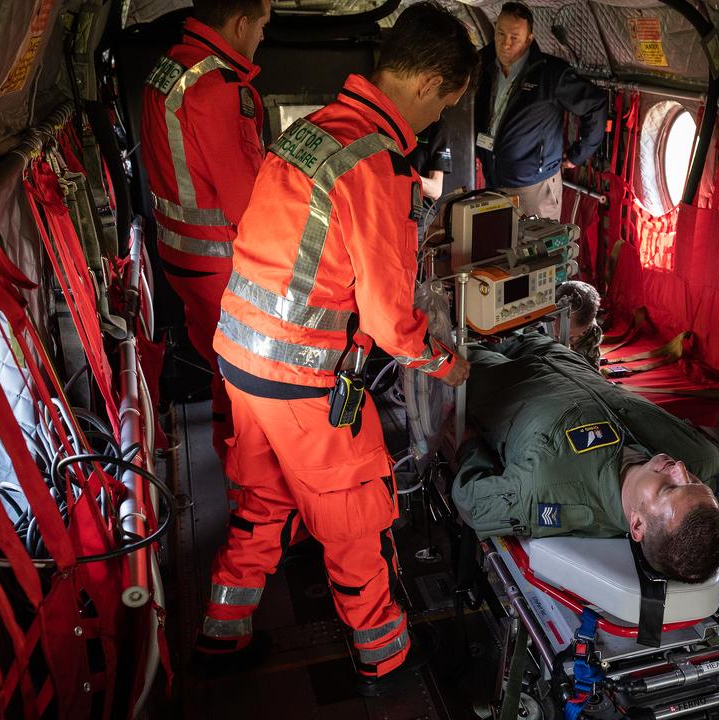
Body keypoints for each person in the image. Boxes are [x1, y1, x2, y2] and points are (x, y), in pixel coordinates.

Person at [194, 2, 476, 695]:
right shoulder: (375, 164)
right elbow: (386, 320)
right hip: (299, 377)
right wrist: (446, 361)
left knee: (260, 503)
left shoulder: (315, 132)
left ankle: (222, 633)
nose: (437, 119)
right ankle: (385, 657)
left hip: (239, 356)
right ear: (430, 81)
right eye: (445, 103)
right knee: (356, 515)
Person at [452, 332, 719, 584]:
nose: (679, 468)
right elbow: (709, 471)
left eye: (669, 488)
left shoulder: (549, 490)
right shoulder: (703, 460)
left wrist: (470, 442)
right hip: (566, 361)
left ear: (637, 524)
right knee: (513, 323)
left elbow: (473, 502)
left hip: (500, 381)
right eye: (693, 481)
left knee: (454, 342)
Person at [140, 0, 271, 461]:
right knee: (253, 383)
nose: (261, 38)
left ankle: (229, 459)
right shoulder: (217, 87)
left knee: (224, 369)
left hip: (181, 258)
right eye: (261, 26)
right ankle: (251, 492)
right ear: (240, 22)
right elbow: (247, 204)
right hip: (220, 265)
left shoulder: (172, 66)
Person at [473, 2, 607, 220]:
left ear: (529, 39)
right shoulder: (483, 66)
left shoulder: (551, 74)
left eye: (514, 37)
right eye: (500, 34)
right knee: (496, 251)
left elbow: (595, 105)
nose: (505, 43)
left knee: (538, 253)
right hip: (493, 181)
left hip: (534, 188)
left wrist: (577, 155)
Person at [556, 279, 603, 367]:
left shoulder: (590, 331)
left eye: (573, 337)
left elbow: (589, 370)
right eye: (568, 337)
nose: (572, 340)